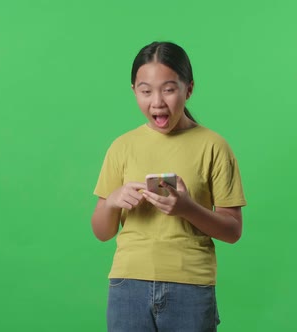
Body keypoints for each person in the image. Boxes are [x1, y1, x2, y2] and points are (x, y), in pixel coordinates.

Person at [91, 41, 247, 332]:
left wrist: (188, 209)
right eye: (145, 90)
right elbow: (102, 232)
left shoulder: (214, 146)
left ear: (188, 89)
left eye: (169, 89)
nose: (157, 102)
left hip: (191, 285)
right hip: (128, 284)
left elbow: (233, 230)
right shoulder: (122, 146)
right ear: (134, 91)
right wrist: (112, 201)